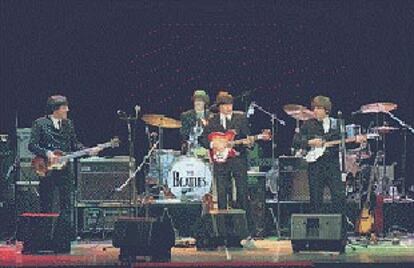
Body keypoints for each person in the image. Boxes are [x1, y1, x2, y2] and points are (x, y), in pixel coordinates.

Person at [28, 95, 100, 253]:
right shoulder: (40, 124)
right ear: (55, 109)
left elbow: (74, 144)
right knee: (46, 204)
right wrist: (48, 153)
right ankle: (46, 239)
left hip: (65, 171)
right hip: (47, 170)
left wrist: (88, 150)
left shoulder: (68, 124)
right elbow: (32, 145)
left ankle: (63, 240)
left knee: (66, 205)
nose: (67, 110)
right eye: (64, 107)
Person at [293, 95, 364, 214]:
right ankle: (317, 228)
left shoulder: (337, 123)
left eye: (318, 108)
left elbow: (345, 143)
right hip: (315, 166)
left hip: (332, 164)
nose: (314, 111)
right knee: (316, 199)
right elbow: (295, 141)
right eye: (313, 108)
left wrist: (356, 141)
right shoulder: (308, 124)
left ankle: (338, 227)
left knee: (338, 197)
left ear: (326, 110)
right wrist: (310, 142)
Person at [202, 91, 255, 234]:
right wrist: (214, 145)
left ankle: (247, 229)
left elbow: (247, 137)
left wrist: (249, 143)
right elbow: (203, 139)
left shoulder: (241, 118)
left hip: (238, 159)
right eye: (225, 105)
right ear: (219, 107)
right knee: (221, 193)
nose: (228, 108)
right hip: (220, 161)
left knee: (243, 192)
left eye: (230, 104)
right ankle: (223, 229)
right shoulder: (213, 120)